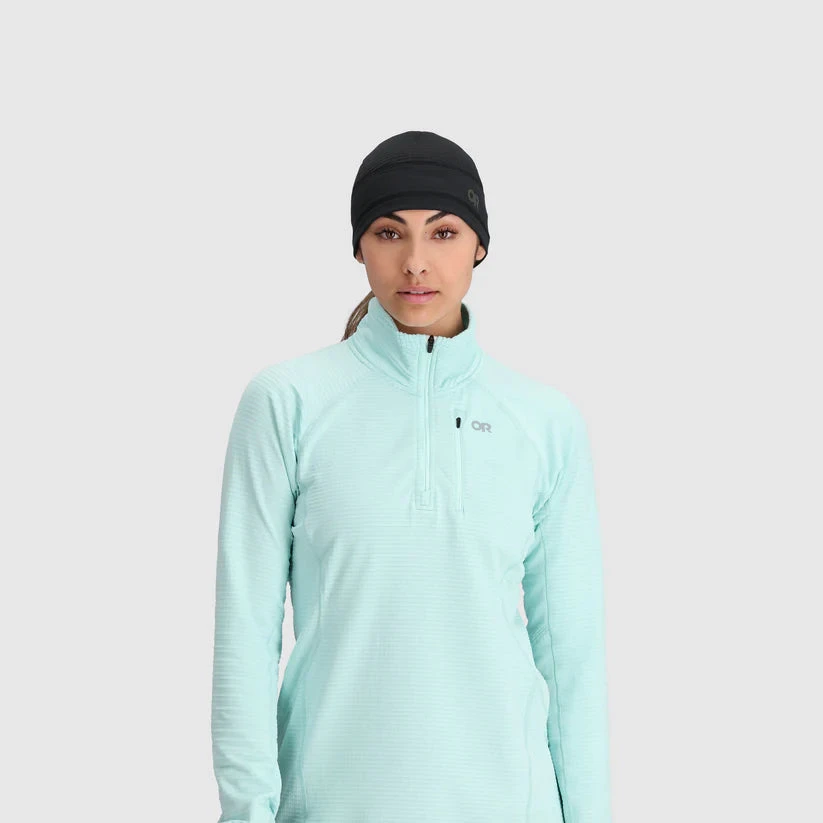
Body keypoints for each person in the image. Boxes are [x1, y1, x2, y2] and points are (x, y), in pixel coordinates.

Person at [210, 130, 613, 823]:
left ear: (479, 245)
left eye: (444, 233)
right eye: (389, 232)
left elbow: (570, 656)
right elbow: (245, 634)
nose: (417, 262)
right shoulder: (288, 403)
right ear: (359, 247)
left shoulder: (544, 422)